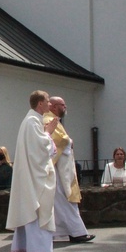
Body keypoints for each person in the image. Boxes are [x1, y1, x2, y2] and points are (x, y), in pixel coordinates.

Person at [6, 90, 60, 252]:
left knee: (32, 217)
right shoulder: (32, 122)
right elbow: (40, 149)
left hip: (31, 177)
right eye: (47, 101)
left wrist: (45, 133)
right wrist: (49, 133)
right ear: (40, 104)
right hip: (35, 180)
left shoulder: (32, 121)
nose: (50, 105)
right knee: (39, 216)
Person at [44, 97, 95, 243]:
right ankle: (77, 232)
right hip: (58, 171)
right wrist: (69, 141)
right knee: (65, 200)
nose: (65, 107)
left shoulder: (55, 120)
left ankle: (66, 231)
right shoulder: (49, 119)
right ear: (53, 106)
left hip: (63, 169)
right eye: (62, 105)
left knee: (62, 202)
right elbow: (56, 140)